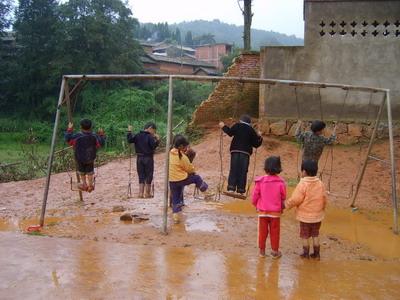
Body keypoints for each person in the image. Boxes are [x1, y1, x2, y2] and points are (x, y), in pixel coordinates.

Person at [284, 159, 327, 260]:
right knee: (315, 234)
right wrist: (322, 209)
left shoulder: (303, 184)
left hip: (305, 217)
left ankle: (305, 254)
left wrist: (287, 205)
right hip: (317, 216)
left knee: (305, 235)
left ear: (304, 172)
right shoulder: (320, 183)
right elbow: (324, 198)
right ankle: (317, 255)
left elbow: (296, 199)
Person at [251, 156, 286, 259]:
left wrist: (255, 205)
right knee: (275, 232)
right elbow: (283, 197)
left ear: (265, 167)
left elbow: (255, 196)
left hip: (263, 212)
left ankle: (262, 251)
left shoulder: (260, 181)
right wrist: (282, 208)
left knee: (262, 232)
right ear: (278, 167)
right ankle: (275, 252)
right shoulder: (281, 182)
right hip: (275, 213)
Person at [219, 114, 263, 195]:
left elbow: (230, 133)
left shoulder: (237, 125)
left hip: (235, 150)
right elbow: (256, 144)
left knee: (234, 168)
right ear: (249, 123)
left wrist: (223, 126)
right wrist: (260, 137)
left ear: (241, 121)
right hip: (245, 153)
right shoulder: (251, 130)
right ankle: (241, 190)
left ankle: (231, 188)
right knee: (243, 170)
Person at [169, 135, 208, 224]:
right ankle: (205, 191)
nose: (187, 148)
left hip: (172, 180)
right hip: (181, 179)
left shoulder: (170, 153)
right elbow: (190, 169)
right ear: (181, 147)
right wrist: (193, 172)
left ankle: (175, 215)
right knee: (197, 178)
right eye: (186, 146)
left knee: (176, 197)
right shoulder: (182, 156)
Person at [65, 119, 106, 192]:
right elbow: (101, 143)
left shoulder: (77, 136)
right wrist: (101, 135)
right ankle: (90, 185)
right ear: (91, 127)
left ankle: (84, 184)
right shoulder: (94, 136)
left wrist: (69, 129)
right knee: (90, 172)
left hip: (79, 158)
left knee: (81, 172)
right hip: (90, 157)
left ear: (81, 127)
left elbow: (68, 140)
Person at [127, 122, 160, 198]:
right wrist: (157, 140)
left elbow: (129, 140)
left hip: (139, 158)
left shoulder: (138, 135)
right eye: (154, 131)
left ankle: (140, 194)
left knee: (141, 175)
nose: (154, 133)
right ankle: (147, 193)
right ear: (150, 128)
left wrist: (129, 131)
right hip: (148, 158)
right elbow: (153, 146)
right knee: (149, 175)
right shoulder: (150, 137)